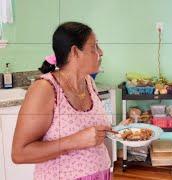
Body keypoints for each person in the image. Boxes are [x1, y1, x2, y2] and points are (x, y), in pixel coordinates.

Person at [12, 22, 112, 180]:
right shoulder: (45, 89)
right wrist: (74, 141)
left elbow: (89, 131)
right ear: (75, 52)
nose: (101, 52)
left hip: (101, 174)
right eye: (94, 47)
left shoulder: (89, 82)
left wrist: (118, 131)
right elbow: (19, 154)